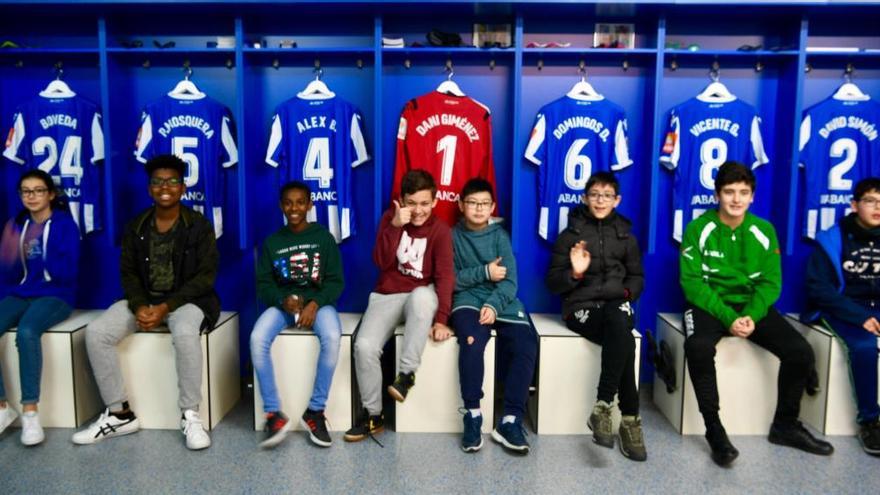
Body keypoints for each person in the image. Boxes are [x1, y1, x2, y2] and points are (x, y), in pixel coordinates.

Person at [680, 160, 833, 466]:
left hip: (751, 307)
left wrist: (750, 314)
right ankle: (715, 432)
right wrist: (728, 318)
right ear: (717, 195)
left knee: (800, 351)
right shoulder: (698, 228)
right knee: (696, 347)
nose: (736, 199)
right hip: (710, 306)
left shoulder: (764, 230)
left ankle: (785, 425)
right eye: (729, 192)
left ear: (752, 197)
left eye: (743, 192)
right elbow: (692, 283)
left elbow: (771, 281)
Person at [72, 154, 219, 450]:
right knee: (97, 332)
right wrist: (140, 305)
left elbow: (205, 277)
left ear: (183, 187)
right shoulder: (136, 226)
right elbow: (127, 273)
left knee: (185, 333)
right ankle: (119, 413)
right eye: (157, 182)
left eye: (172, 181)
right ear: (149, 188)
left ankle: (190, 415)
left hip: (188, 301)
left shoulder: (199, 225)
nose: (165, 187)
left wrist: (165, 308)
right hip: (143, 299)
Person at [344, 170, 454, 442]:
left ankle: (406, 375)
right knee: (364, 346)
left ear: (434, 202)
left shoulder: (440, 230)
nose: (418, 210)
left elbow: (445, 276)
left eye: (424, 203)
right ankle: (373, 415)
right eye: (412, 203)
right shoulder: (390, 219)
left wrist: (442, 319)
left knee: (422, 296)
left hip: (420, 295)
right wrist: (394, 225)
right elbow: (380, 262)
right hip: (387, 294)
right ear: (402, 201)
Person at [545, 171, 646, 461]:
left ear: (617, 200)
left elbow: (638, 277)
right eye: (594, 195)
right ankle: (629, 419)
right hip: (581, 307)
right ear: (584, 198)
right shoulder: (570, 236)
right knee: (624, 338)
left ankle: (604, 406)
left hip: (617, 304)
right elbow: (552, 282)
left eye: (607, 195)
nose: (600, 201)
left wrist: (626, 295)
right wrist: (575, 272)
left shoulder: (626, 236)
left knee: (620, 325)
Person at [251, 181, 344, 449]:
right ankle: (273, 413)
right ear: (282, 206)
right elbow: (264, 285)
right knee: (257, 338)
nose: (294, 208)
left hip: (318, 303)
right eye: (289, 203)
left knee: (332, 336)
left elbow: (336, 282)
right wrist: (282, 300)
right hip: (285, 306)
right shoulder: (273, 242)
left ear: (309, 204)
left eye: (300, 202)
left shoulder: (323, 238)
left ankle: (315, 411)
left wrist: (315, 303)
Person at [450, 178, 536, 454]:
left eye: (484, 204)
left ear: (492, 207)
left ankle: (510, 421)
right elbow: (449, 280)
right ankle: (473, 415)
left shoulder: (500, 236)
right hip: (467, 301)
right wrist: (485, 272)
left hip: (502, 301)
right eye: (472, 203)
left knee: (526, 343)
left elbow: (510, 281)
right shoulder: (451, 236)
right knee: (472, 341)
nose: (478, 209)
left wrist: (494, 304)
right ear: (461, 204)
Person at [0, 170, 81, 445]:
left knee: (27, 332)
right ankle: (2, 408)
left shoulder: (65, 225)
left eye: (37, 190)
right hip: (22, 293)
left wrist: (38, 247)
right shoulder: (16, 224)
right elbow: (10, 273)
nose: (31, 196)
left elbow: (68, 273)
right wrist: (10, 255)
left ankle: (30, 413)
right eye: (25, 191)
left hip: (56, 296)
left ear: (50, 194)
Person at [804, 177, 880, 455]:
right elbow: (819, 289)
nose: (877, 208)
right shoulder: (832, 237)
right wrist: (859, 316)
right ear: (855, 205)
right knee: (864, 347)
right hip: (843, 308)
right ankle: (870, 422)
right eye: (870, 201)